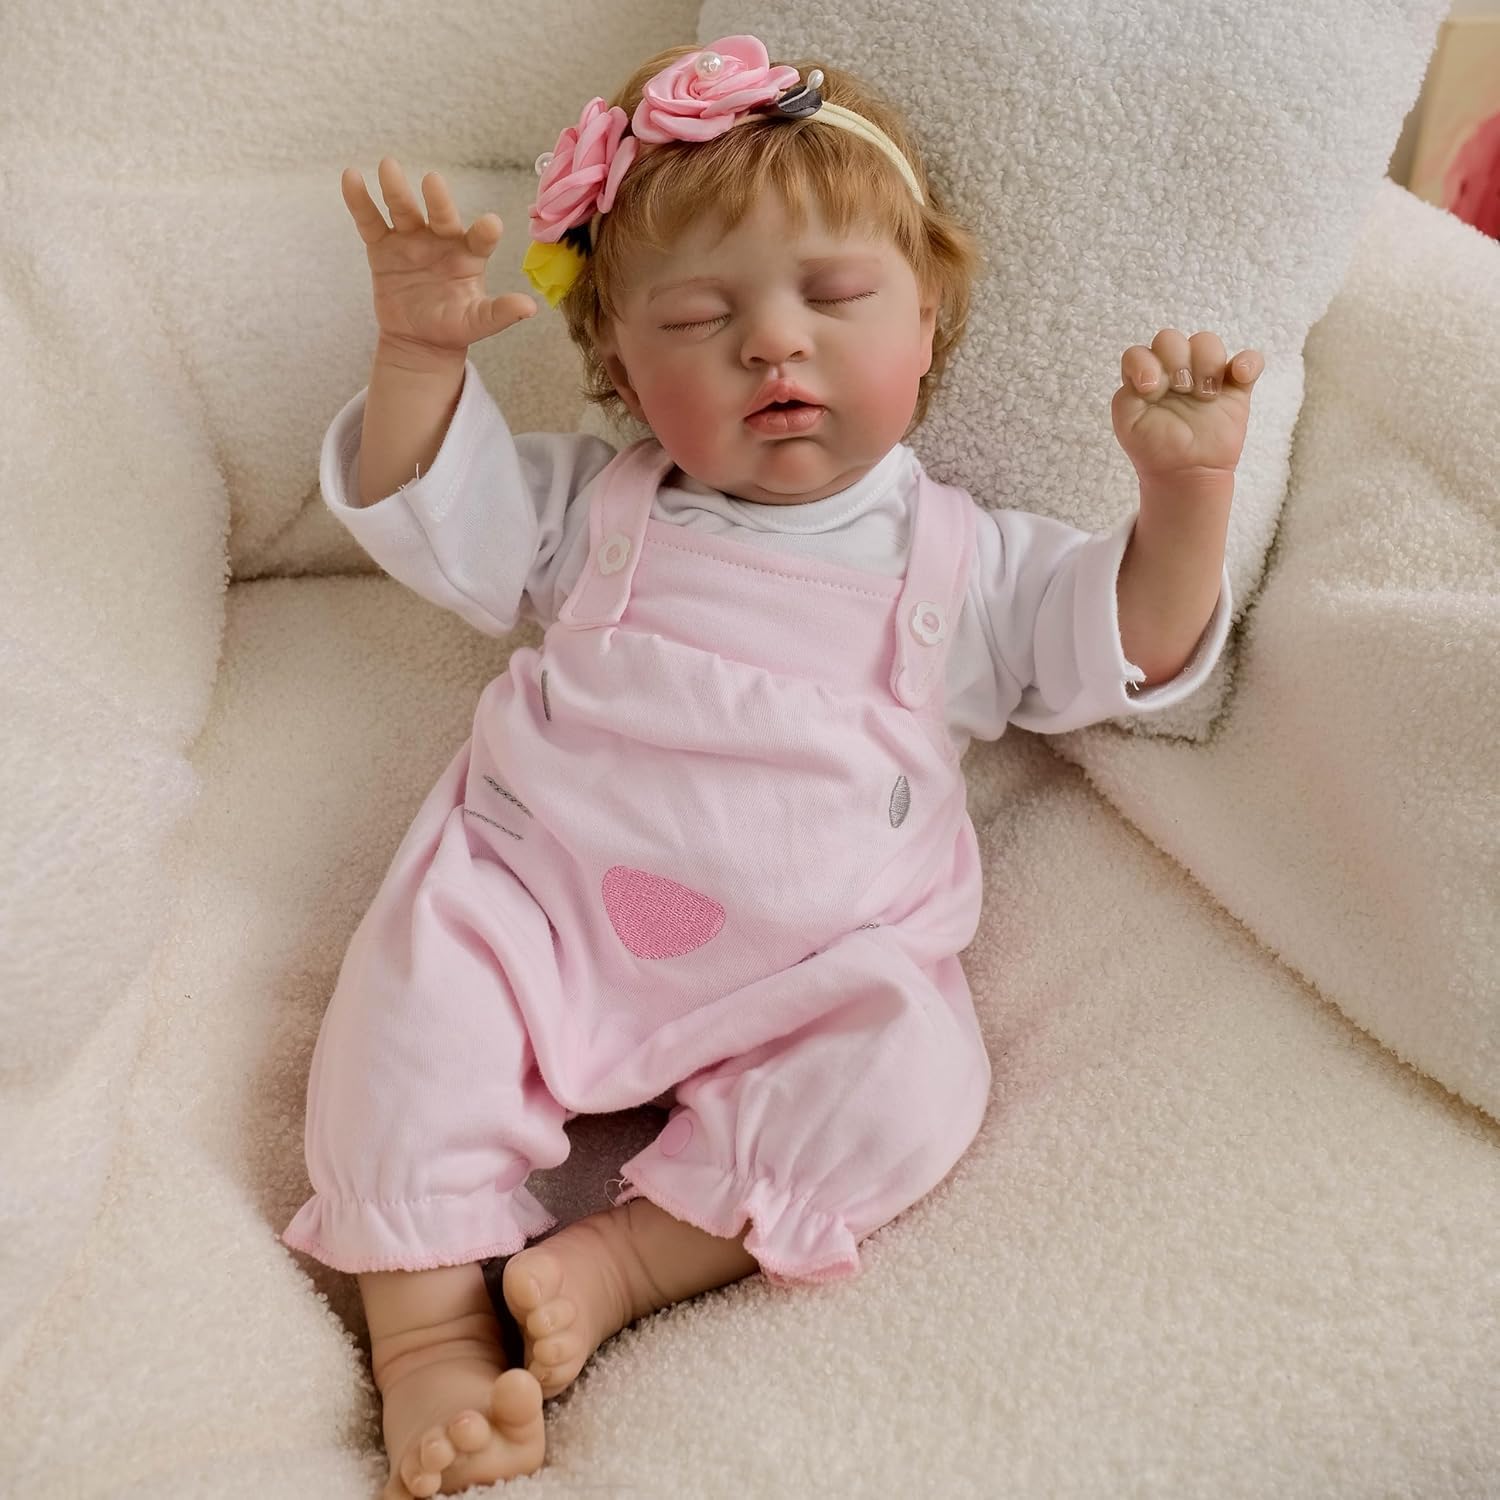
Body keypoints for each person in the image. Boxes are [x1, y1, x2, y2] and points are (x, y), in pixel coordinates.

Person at [282, 35, 1258, 1498]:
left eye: (834, 296)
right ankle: (428, 1338)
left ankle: (631, 1259)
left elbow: (1128, 646)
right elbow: (439, 510)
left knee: (913, 1072)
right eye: (700, 316)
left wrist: (1185, 495)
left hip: (813, 966)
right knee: (413, 1001)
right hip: (543, 905)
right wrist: (420, 360)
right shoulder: (594, 511)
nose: (772, 345)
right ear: (620, 366)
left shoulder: (969, 565)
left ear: (927, 321)